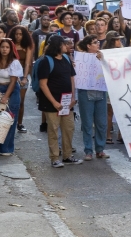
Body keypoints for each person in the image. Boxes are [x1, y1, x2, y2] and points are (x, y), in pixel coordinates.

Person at [37, 35, 83, 168]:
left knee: (69, 128)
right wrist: (54, 102)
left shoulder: (67, 59)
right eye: (64, 44)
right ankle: (55, 157)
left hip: (67, 102)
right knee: (53, 130)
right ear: (58, 45)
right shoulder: (46, 61)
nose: (67, 46)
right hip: (52, 103)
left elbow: (71, 79)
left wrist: (73, 98)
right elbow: (43, 84)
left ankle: (67, 155)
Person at [76, 35, 109, 160]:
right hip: (86, 94)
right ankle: (88, 151)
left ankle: (100, 149)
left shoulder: (104, 56)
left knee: (101, 123)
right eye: (95, 43)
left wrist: (104, 60)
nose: (98, 44)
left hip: (101, 93)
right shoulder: (81, 58)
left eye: (98, 42)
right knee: (87, 123)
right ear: (88, 46)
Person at [9, 25, 34, 133]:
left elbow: (28, 63)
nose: (18, 36)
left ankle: (19, 123)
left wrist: (24, 77)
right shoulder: (10, 45)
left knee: (21, 101)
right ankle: (8, 121)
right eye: (16, 34)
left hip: (22, 74)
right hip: (10, 75)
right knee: (9, 100)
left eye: (20, 34)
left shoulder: (27, 46)